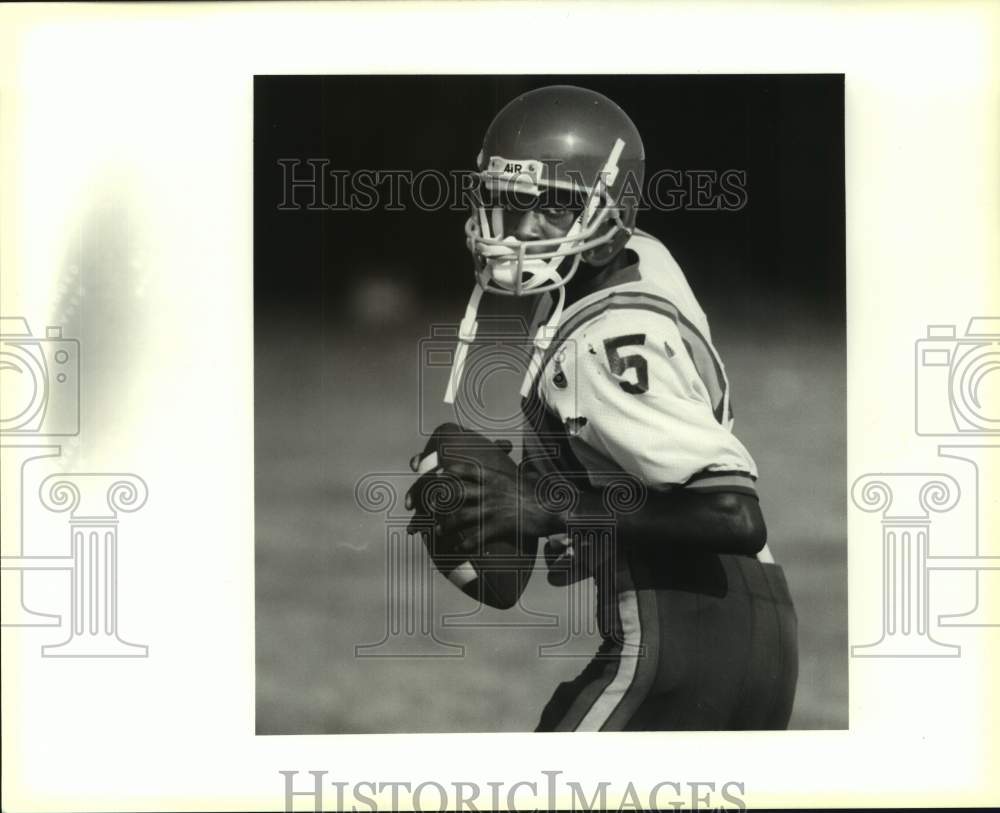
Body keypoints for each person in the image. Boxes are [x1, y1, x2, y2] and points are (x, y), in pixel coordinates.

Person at [408, 85, 798, 731]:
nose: (526, 227)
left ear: (610, 211)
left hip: (678, 636)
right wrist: (571, 507)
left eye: (557, 206)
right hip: (754, 627)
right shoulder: (639, 259)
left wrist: (542, 506)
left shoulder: (606, 337)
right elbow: (651, 471)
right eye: (511, 200)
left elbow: (731, 513)